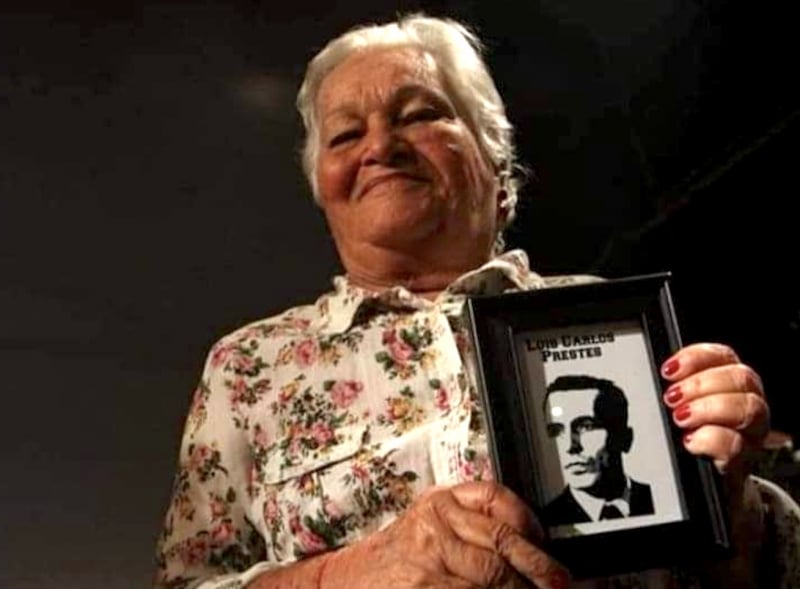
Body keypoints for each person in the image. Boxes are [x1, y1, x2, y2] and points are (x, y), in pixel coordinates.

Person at [154, 14, 799, 589]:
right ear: (322, 188)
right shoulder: (250, 368)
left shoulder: (622, 325)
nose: (380, 146)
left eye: (418, 115)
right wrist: (348, 575)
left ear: (496, 156)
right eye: (345, 135)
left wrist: (731, 506)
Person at [540, 375, 653, 526]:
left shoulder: (662, 499)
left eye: (586, 427)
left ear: (624, 438)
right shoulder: (543, 522)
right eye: (556, 431)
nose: (569, 447)